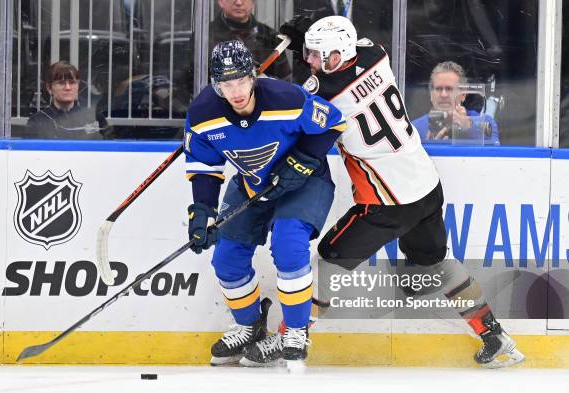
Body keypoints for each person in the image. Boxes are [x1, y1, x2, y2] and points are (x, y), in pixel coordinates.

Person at [276, 15, 523, 368]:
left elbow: (305, 109)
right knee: (436, 263)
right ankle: (494, 336)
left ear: (336, 55)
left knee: (330, 259)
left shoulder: (326, 94)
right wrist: (310, 39)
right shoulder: (376, 54)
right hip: (425, 185)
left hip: (386, 201)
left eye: (318, 56)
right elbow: (348, 58)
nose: (312, 62)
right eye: (310, 54)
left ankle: (291, 336)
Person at [183, 40, 345, 367]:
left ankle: (295, 331)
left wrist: (302, 160)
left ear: (253, 77)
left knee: (288, 245)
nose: (237, 91)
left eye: (242, 81)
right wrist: (202, 211)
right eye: (227, 84)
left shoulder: (286, 98)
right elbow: (204, 167)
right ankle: (249, 325)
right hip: (250, 183)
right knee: (226, 259)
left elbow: (335, 122)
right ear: (217, 85)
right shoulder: (202, 114)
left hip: (304, 182)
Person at [412, 61, 500, 145]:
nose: (443, 94)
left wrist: (468, 126)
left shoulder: (485, 122)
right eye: (438, 89)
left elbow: (494, 152)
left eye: (449, 89)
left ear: (463, 94)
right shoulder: (414, 128)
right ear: (431, 95)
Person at [26, 61, 112, 140]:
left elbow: (110, 148)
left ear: (78, 85)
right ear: (49, 88)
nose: (68, 87)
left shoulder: (94, 116)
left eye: (72, 82)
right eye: (61, 83)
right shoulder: (37, 121)